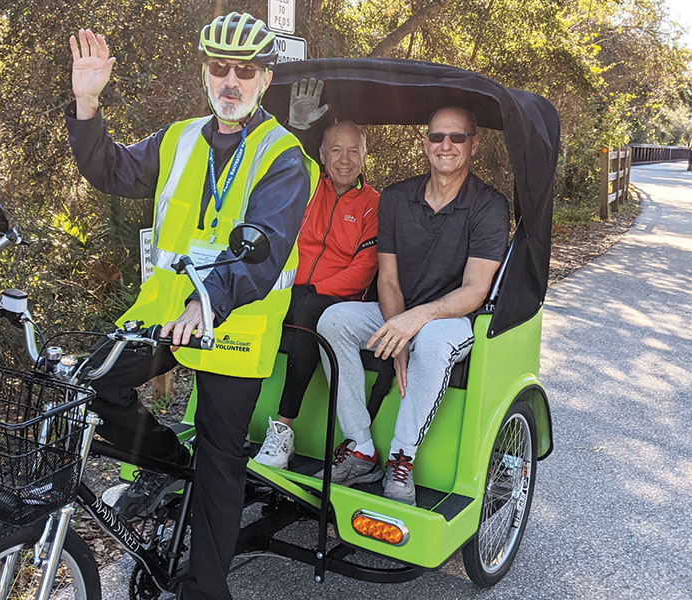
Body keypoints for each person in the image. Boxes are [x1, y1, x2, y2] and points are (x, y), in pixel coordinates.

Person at [64, 13, 318, 599]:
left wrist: (210, 303)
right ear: (206, 72)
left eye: (245, 71)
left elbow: (266, 246)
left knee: (219, 462)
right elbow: (110, 168)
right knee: (93, 384)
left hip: (239, 323)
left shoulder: (282, 155)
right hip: (163, 310)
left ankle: (205, 589)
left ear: (264, 77)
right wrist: (85, 104)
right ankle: (163, 462)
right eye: (219, 68)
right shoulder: (177, 138)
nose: (230, 80)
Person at [316, 106, 509, 505]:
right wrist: (398, 331)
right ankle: (361, 447)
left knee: (435, 341)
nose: (446, 146)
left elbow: (475, 289)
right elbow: (387, 278)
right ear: (425, 143)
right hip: (400, 309)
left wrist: (414, 322)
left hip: (453, 317)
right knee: (333, 319)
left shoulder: (488, 206)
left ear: (473, 144)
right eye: (438, 137)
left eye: (457, 138)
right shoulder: (397, 197)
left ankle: (402, 457)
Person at [252, 118, 379, 469]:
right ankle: (226, 419)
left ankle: (283, 429)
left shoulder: (374, 204)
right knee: (242, 305)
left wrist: (315, 289)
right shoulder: (305, 186)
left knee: (309, 308)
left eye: (354, 151)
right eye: (336, 149)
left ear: (365, 157)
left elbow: (364, 268)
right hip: (290, 289)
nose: (344, 159)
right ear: (321, 155)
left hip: (336, 300)